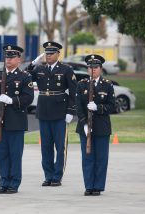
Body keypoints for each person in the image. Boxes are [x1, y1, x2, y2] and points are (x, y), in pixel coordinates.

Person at [26, 41, 77, 187]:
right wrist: (31, 64)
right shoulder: (40, 69)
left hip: (60, 112)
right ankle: (48, 175)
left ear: (58, 54)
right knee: (46, 147)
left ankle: (57, 176)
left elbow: (74, 92)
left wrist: (71, 111)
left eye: (51, 53)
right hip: (43, 111)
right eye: (46, 53)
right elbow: (26, 77)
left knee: (60, 147)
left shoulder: (66, 69)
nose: (48, 56)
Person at [0, 44, 34, 194]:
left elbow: (28, 97)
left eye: (12, 57)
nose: (8, 59)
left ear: (18, 60)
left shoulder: (24, 77)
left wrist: (11, 100)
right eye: (7, 57)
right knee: (2, 154)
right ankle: (4, 182)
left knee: (14, 154)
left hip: (16, 122)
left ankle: (14, 183)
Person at [75, 54, 116, 196]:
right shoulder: (81, 84)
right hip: (85, 127)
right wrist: (84, 123)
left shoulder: (108, 85)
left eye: (95, 67)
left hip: (102, 127)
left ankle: (98, 186)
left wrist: (98, 107)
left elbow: (112, 106)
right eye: (90, 67)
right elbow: (78, 106)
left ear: (101, 68)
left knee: (101, 158)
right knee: (87, 158)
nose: (93, 70)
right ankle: (89, 186)